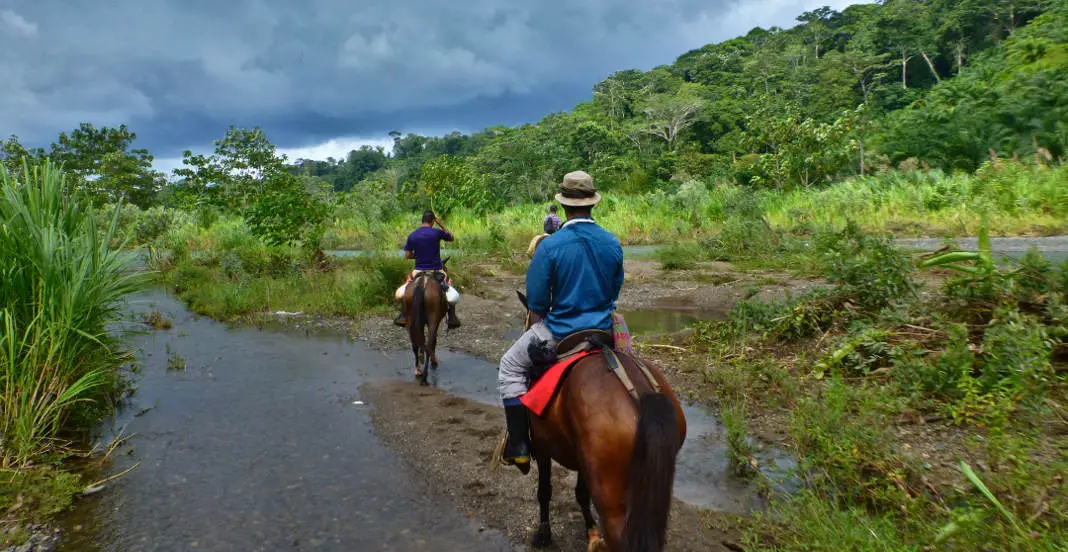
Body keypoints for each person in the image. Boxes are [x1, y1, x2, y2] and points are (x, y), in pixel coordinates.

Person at [498, 170, 624, 470]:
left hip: (561, 331)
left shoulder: (550, 246)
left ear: (564, 205)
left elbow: (538, 302)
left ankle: (518, 446)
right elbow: (615, 288)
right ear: (593, 204)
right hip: (604, 329)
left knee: (510, 367)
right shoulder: (612, 241)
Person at [393, 210, 461, 329]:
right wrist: (440, 223)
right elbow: (451, 238)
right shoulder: (437, 232)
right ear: (433, 221)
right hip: (436, 270)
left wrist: (419, 255)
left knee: (407, 286)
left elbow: (408, 255)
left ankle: (403, 314)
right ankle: (452, 316)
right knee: (448, 284)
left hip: (419, 271)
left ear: (422, 221)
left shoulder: (413, 235)